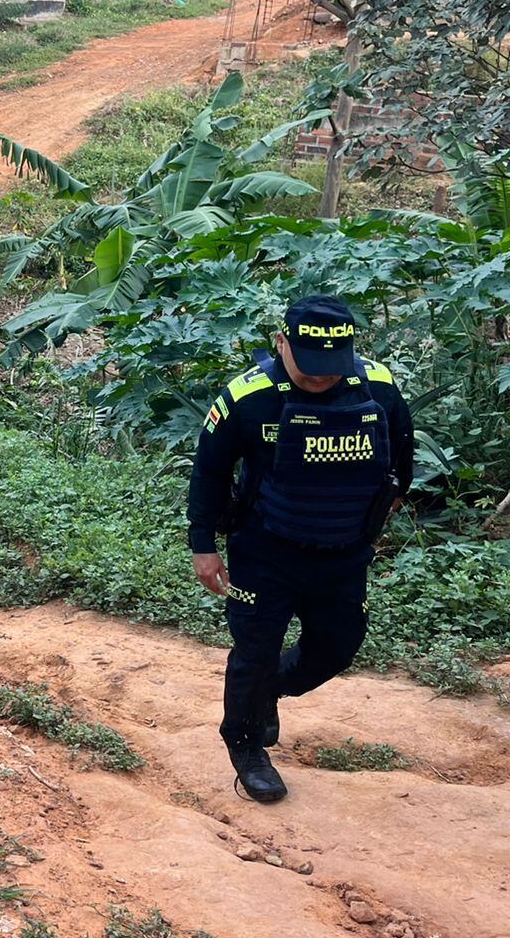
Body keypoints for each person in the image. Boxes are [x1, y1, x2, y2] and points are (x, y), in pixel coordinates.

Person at [187, 294, 413, 804]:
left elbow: (402, 448)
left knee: (336, 647)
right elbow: (210, 472)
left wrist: (389, 499)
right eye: (309, 367)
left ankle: (270, 690)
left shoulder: (377, 385)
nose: (320, 378)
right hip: (265, 551)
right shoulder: (248, 397)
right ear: (280, 343)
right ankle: (244, 746)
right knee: (255, 649)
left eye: (331, 367)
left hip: (344, 550)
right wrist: (203, 544)